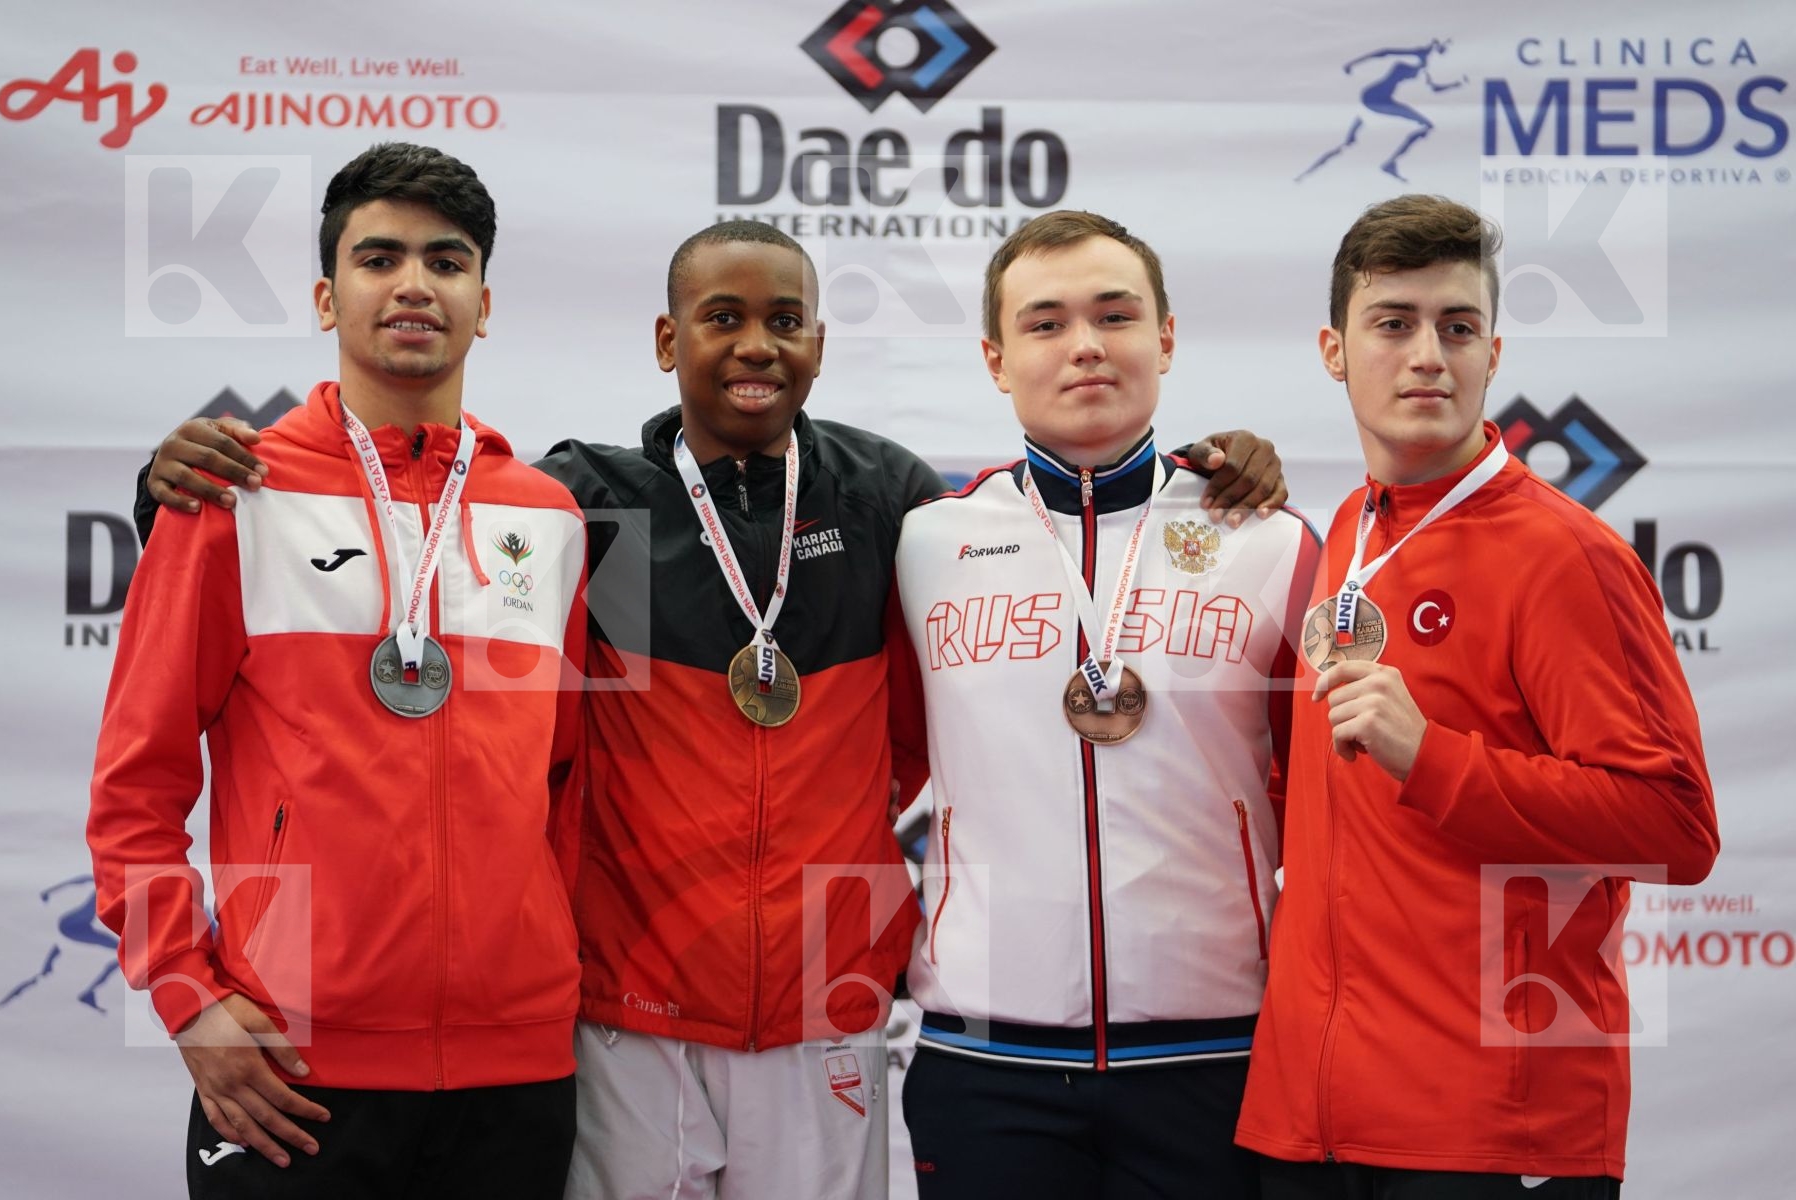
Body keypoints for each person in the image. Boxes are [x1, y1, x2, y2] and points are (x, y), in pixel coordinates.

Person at [137, 220, 1290, 1200]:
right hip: (625, 1013)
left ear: (820, 346)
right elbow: (399, 547)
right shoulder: (583, 504)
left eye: (785, 321)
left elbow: (1031, 561)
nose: (755, 346)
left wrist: (1224, 467)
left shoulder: (895, 501)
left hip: (823, 1016)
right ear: (665, 340)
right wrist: (166, 492)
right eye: (721, 317)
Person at [88, 142, 589, 1198]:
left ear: (484, 303)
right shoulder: (231, 496)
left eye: (446, 262)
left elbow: (569, 787)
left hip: (520, 1069)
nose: (414, 284)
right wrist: (187, 994)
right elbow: (136, 790)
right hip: (293, 1065)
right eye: (380, 258)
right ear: (328, 294)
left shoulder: (546, 517)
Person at [1234, 194, 1719, 1199]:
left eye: (1457, 328)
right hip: (1316, 1121)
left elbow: (1674, 828)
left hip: (1493, 1133)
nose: (1427, 355)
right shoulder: (1349, 531)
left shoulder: (1565, 556)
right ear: (1334, 350)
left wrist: (1435, 757)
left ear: (1492, 355)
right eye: (1394, 323)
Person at [889, 211, 1318, 1199]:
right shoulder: (924, 542)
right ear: (997, 359)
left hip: (1216, 1057)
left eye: (1114, 315)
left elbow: (1326, 794)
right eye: (1045, 324)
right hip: (986, 1059)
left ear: (1165, 338)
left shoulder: (1272, 541)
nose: (1084, 345)